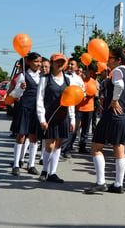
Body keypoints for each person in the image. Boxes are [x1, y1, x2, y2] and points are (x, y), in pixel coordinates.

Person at [84, 48, 125, 194]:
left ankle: (101, 182)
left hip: (112, 115)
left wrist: (114, 100)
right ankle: (118, 184)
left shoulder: (117, 72)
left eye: (111, 57)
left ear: (118, 60)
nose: (108, 60)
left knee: (96, 147)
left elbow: (119, 85)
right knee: (119, 149)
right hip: (124, 116)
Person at [36, 53, 75, 183]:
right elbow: (39, 100)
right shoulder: (45, 79)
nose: (60, 64)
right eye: (57, 61)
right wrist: (42, 118)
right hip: (50, 116)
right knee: (49, 144)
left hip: (63, 116)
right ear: (52, 63)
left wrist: (72, 119)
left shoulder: (68, 80)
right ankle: (44, 171)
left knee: (58, 144)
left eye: (62, 61)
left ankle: (53, 173)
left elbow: (71, 100)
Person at [10, 52, 42, 176]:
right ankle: (16, 164)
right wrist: (21, 88)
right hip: (24, 108)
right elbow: (15, 95)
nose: (38, 64)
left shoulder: (42, 76)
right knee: (21, 137)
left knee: (34, 138)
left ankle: (31, 164)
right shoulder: (22, 76)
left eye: (39, 62)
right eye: (36, 62)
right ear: (29, 62)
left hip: (36, 110)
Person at [61, 58, 85, 158]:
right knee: (62, 126)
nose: (70, 66)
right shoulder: (62, 76)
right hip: (62, 105)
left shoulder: (79, 79)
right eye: (69, 64)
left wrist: (78, 97)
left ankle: (67, 149)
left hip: (74, 106)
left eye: (72, 64)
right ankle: (60, 149)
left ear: (76, 67)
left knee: (72, 128)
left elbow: (83, 92)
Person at [75, 63, 98, 154]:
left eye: (93, 73)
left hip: (89, 108)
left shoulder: (93, 80)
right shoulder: (79, 78)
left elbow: (96, 92)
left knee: (86, 129)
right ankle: (67, 147)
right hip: (79, 107)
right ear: (87, 69)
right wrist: (85, 94)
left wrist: (94, 94)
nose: (92, 75)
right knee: (75, 128)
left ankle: (82, 146)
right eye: (91, 72)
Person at [38, 57, 50, 165]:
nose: (44, 69)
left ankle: (42, 156)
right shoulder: (36, 77)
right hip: (35, 109)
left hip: (45, 109)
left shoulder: (49, 79)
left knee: (44, 136)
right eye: (42, 67)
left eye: (46, 67)